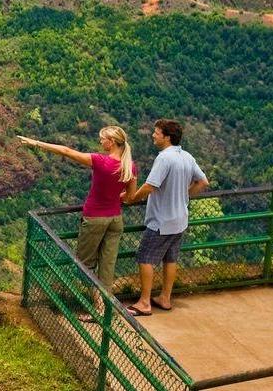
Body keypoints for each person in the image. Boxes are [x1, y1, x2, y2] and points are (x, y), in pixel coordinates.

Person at [19, 127, 137, 301]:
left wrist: (36, 143)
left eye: (102, 139)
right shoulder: (129, 167)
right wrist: (113, 197)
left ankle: (98, 306)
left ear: (111, 142)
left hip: (94, 218)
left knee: (83, 265)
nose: (100, 142)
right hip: (115, 220)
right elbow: (131, 196)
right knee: (107, 265)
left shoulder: (101, 161)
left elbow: (66, 151)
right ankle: (107, 306)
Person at [124, 118, 208, 316]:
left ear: (167, 137)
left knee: (145, 258)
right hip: (180, 219)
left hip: (161, 221)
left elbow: (150, 185)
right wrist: (184, 195)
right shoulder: (187, 156)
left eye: (157, 132)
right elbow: (203, 181)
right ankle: (165, 298)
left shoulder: (164, 158)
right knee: (170, 259)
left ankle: (144, 303)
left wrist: (132, 198)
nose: (153, 135)